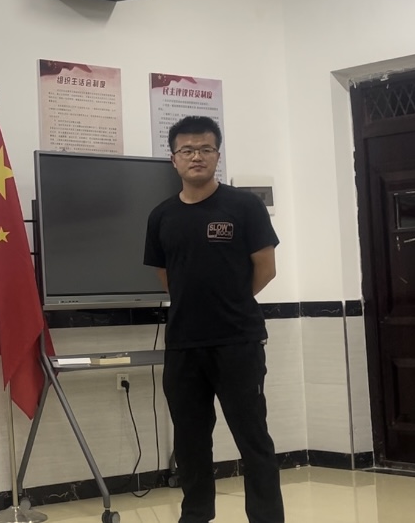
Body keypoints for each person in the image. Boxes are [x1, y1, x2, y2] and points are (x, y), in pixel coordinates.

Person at [143, 115, 284, 523]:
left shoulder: (245, 206)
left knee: (253, 439)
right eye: (187, 150)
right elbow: (167, 275)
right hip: (184, 345)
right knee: (189, 443)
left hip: (238, 341)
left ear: (217, 156)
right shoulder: (161, 216)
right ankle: (196, 516)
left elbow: (266, 268)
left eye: (205, 149)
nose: (197, 157)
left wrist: (229, 300)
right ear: (174, 159)